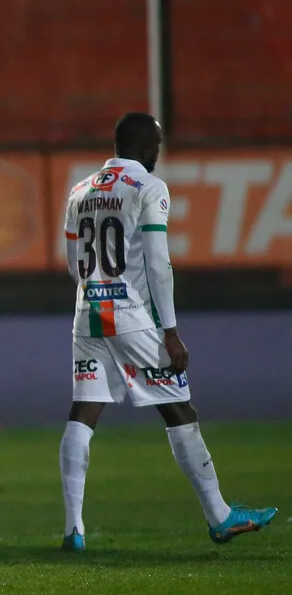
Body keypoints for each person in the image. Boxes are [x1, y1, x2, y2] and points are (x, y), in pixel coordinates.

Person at [59, 112, 277, 553]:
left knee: (84, 410)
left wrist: (97, 286)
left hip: (87, 311)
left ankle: (73, 529)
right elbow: (158, 263)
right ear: (145, 149)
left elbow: (71, 262)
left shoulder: (79, 191)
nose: (158, 153)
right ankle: (220, 517)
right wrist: (170, 332)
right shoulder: (149, 188)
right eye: (157, 146)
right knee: (179, 408)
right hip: (130, 313)